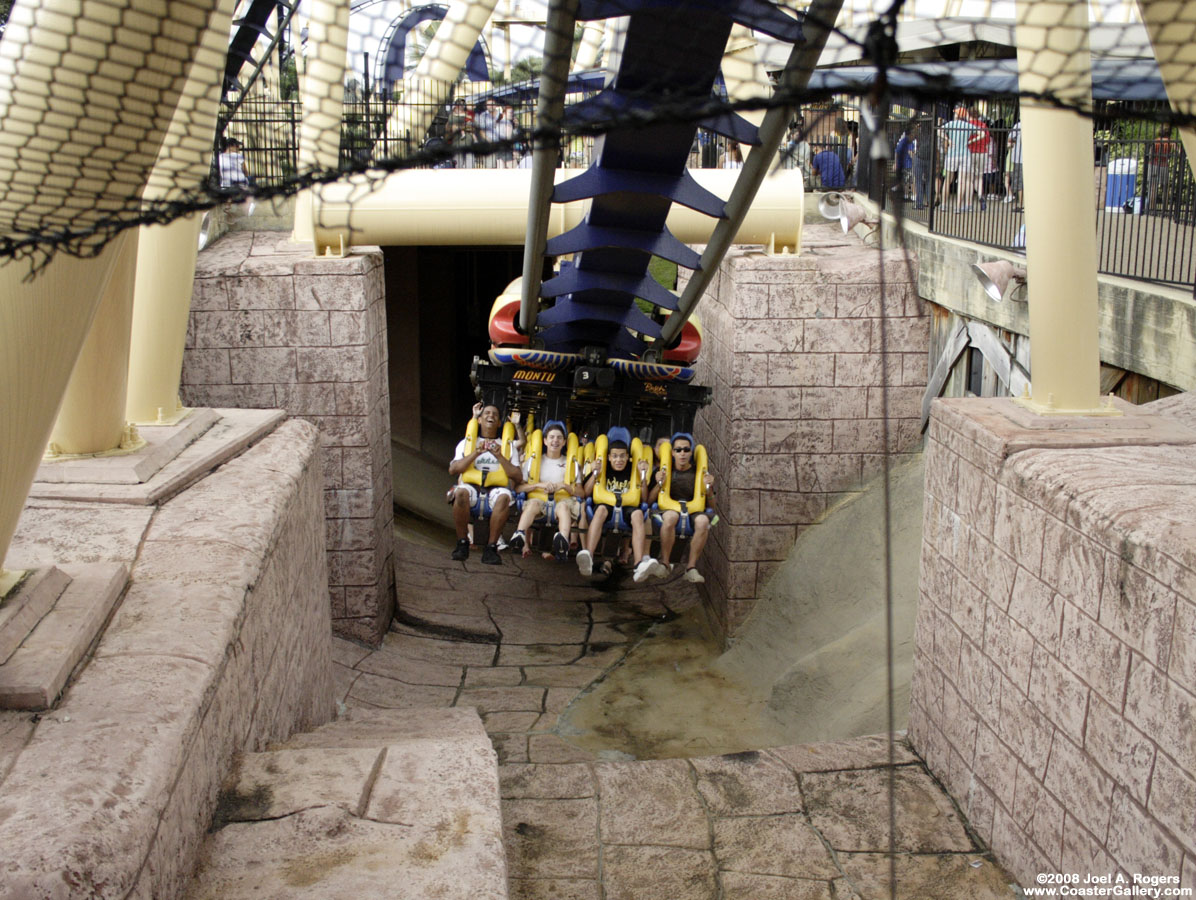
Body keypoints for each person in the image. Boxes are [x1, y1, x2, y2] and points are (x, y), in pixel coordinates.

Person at [575, 439, 662, 582]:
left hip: (628, 506)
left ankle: (639, 564)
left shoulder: (632, 469)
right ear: (609, 457)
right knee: (601, 510)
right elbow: (585, 492)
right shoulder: (604, 468)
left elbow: (644, 499)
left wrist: (643, 477)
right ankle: (588, 556)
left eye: (622, 456)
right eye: (615, 456)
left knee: (639, 514)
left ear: (628, 457)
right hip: (607, 505)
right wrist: (596, 473)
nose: (619, 460)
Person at [448, 403, 522, 564]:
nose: (491, 416)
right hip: (472, 488)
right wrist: (477, 452)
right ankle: (462, 543)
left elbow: (518, 476)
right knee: (460, 493)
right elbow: (453, 469)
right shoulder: (467, 442)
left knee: (504, 497)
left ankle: (491, 548)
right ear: (479, 420)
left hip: (495, 490)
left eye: (495, 414)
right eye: (486, 413)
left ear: (499, 423)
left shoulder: (507, 445)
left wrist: (500, 456)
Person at [645, 434, 714, 583]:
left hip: (692, 510)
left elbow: (712, 506)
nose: (682, 453)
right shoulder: (663, 471)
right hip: (669, 510)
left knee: (703, 521)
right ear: (672, 453)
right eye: (678, 450)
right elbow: (649, 501)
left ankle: (691, 568)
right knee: (671, 517)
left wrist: (708, 488)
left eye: (686, 450)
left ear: (691, 452)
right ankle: (665, 563)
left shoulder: (699, 473)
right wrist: (659, 484)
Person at [510, 423, 582, 561]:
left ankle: (563, 540)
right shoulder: (533, 461)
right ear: (545, 441)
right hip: (539, 499)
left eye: (559, 438)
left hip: (562, 500)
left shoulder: (571, 464)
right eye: (552, 437)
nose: (555, 440)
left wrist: (564, 486)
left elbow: (581, 492)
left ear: (564, 442)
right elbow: (519, 488)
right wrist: (538, 485)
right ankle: (519, 534)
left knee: (564, 507)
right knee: (533, 505)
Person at [940, 104, 979, 212]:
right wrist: (970, 141)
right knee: (962, 181)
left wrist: (948, 139)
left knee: (947, 180)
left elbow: (939, 131)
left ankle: (943, 204)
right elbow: (982, 134)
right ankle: (958, 206)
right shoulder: (968, 125)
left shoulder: (951, 124)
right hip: (965, 155)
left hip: (952, 154)